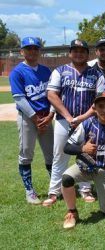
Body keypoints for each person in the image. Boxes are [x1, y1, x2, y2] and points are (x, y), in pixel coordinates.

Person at [44, 39, 105, 207]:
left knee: (86, 155)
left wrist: (83, 118)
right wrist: (70, 117)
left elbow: (99, 99)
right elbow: (52, 95)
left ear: (87, 54)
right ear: (70, 53)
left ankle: (85, 189)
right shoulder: (60, 71)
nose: (78, 53)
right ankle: (54, 191)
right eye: (75, 50)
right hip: (64, 121)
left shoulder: (96, 74)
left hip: (88, 122)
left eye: (82, 51)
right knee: (59, 156)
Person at [61, 91, 105, 229]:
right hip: (85, 166)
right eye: (100, 106)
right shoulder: (86, 124)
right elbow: (67, 147)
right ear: (94, 107)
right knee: (66, 178)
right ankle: (72, 212)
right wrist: (83, 148)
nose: (104, 110)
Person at [9, 36, 54, 204]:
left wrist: (49, 116)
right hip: (28, 118)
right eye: (28, 49)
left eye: (35, 48)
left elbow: (52, 95)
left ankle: (54, 188)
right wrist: (36, 119)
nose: (32, 51)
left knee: (51, 154)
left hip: (46, 117)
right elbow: (19, 99)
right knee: (26, 155)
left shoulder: (46, 71)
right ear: (22, 52)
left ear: (40, 51)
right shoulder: (17, 72)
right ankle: (29, 191)